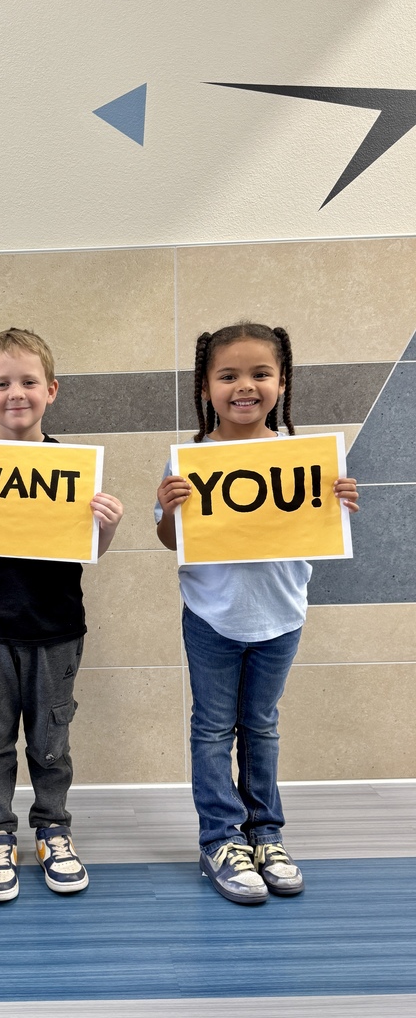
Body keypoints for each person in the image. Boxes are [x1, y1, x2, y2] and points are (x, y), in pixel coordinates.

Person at [155, 322, 359, 905]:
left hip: (282, 615)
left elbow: (322, 529)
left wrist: (340, 501)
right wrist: (169, 509)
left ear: (282, 382)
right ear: (205, 386)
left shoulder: (306, 461)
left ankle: (265, 834)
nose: (245, 386)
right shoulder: (189, 463)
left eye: (260, 374)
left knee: (262, 725)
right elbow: (172, 541)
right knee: (213, 729)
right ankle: (221, 838)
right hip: (211, 617)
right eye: (228, 375)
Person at [0, 328, 123, 902]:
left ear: (51, 390)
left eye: (29, 381)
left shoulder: (72, 468)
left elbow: (92, 550)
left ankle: (53, 829)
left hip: (57, 627)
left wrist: (105, 527)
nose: (17, 392)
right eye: (2, 383)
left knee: (51, 736)